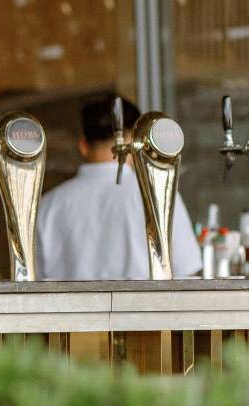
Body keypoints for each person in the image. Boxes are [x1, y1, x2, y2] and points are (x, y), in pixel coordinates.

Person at [35, 95, 201, 280]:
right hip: (146, 299)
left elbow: (35, 282)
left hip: (68, 300)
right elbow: (186, 269)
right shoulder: (159, 194)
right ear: (137, 142)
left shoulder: (48, 205)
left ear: (83, 146)